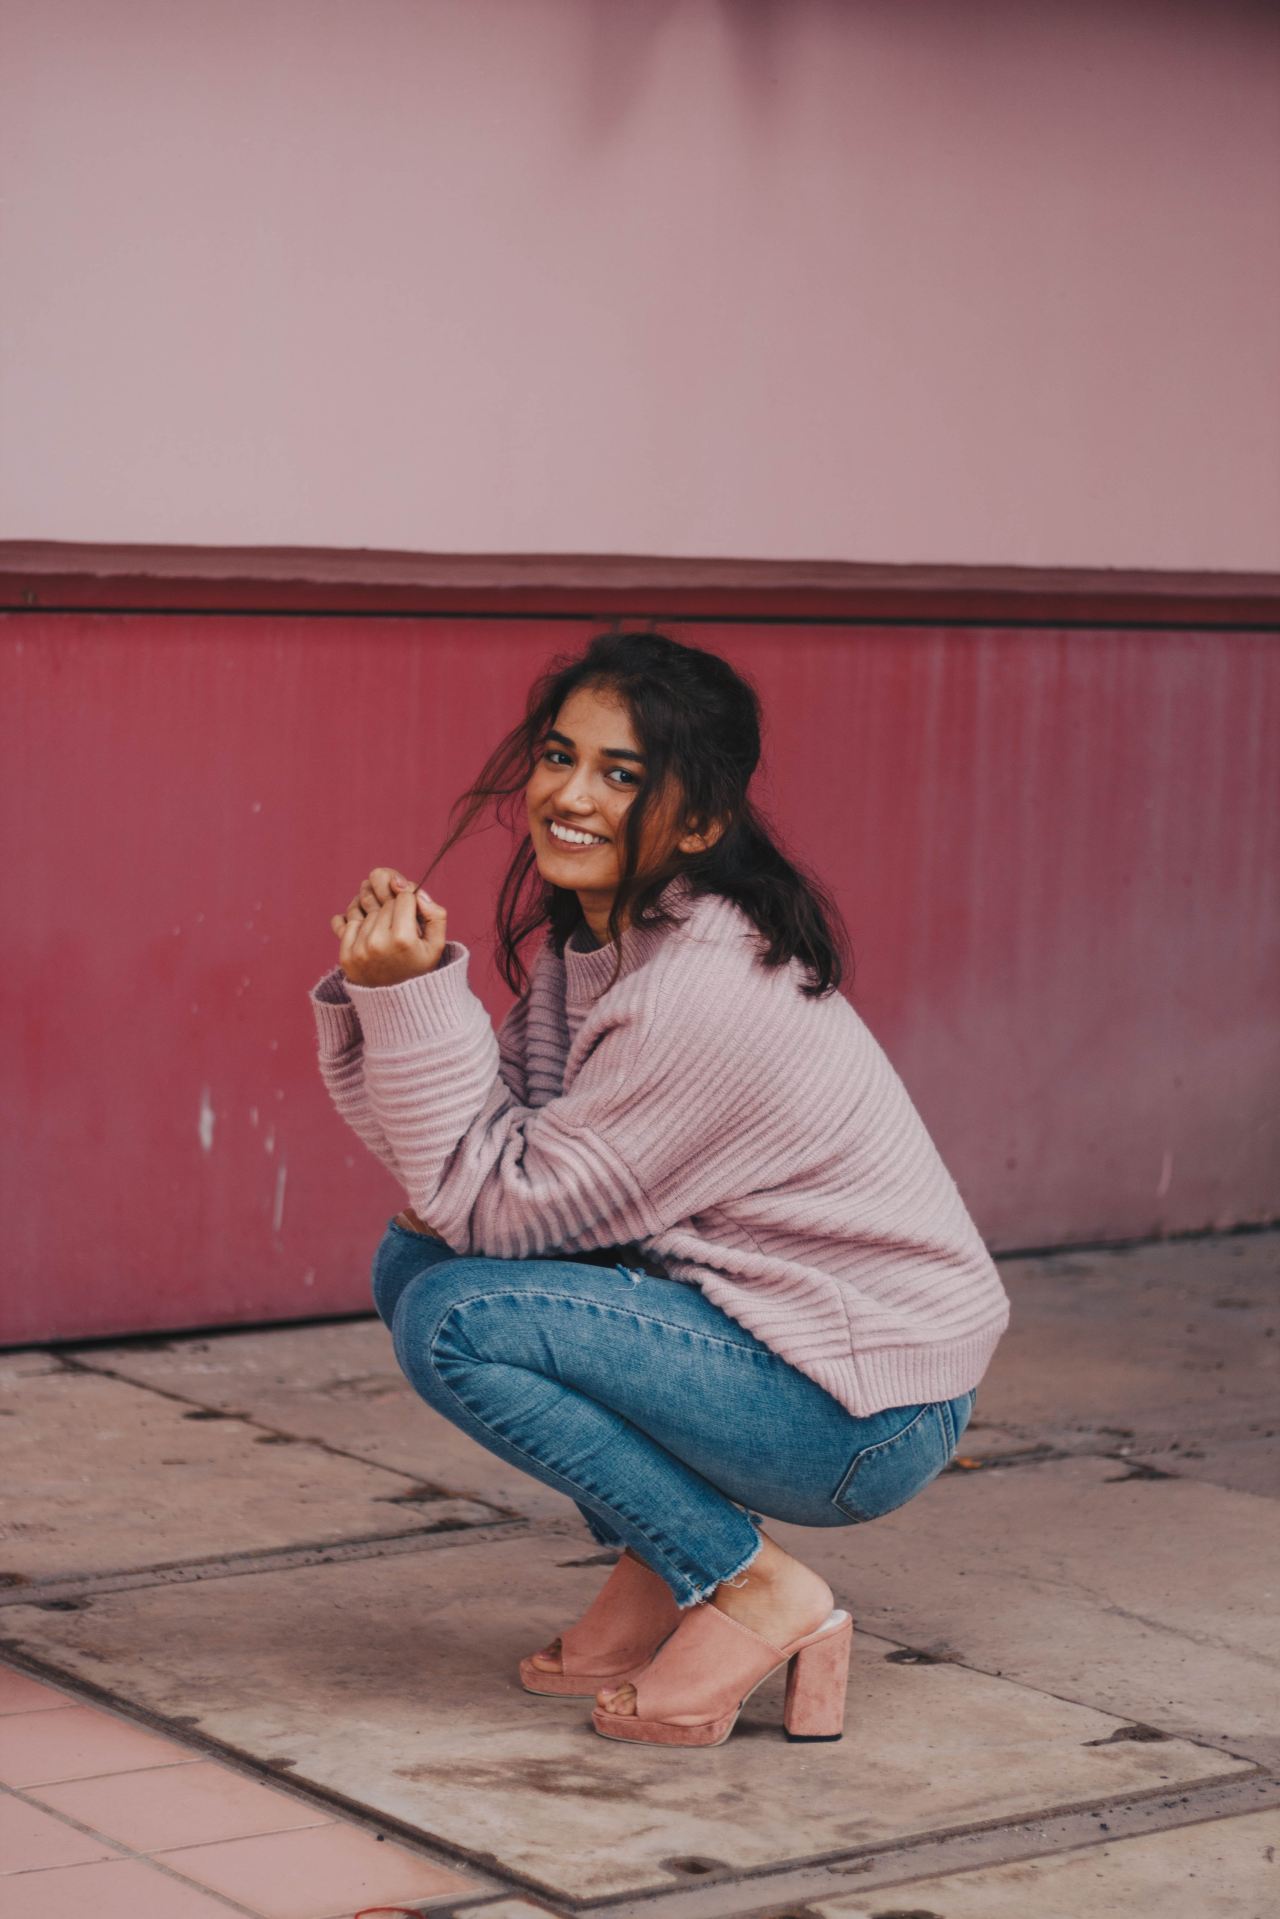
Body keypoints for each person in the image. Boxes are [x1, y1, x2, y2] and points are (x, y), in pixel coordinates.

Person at [308, 629, 1010, 1749]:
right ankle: (657, 1566)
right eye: (557, 754)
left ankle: (747, 1586)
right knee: (419, 1264)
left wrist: (411, 1004)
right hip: (769, 1339)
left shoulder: (700, 986)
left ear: (698, 822)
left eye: (620, 774)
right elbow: (470, 1182)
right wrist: (388, 992)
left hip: (864, 1406)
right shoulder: (604, 939)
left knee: (456, 1314)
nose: (568, 794)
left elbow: (497, 1208)